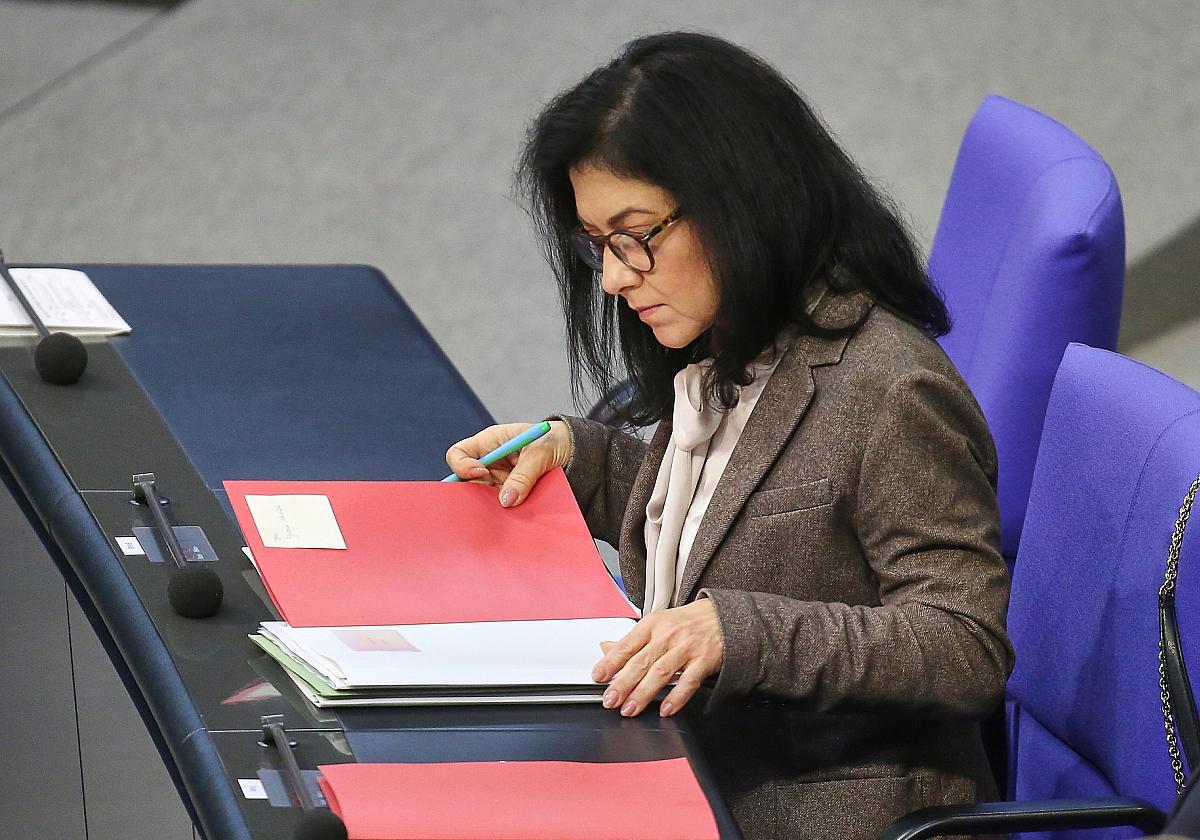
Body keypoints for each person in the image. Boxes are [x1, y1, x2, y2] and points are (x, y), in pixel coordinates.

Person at [446, 31, 1013, 839]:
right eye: (597, 245)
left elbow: (964, 645)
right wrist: (585, 461)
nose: (614, 278)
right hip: (691, 768)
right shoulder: (733, 336)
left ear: (740, 200)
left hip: (811, 811)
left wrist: (738, 634)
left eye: (636, 235)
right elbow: (746, 510)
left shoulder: (892, 389)